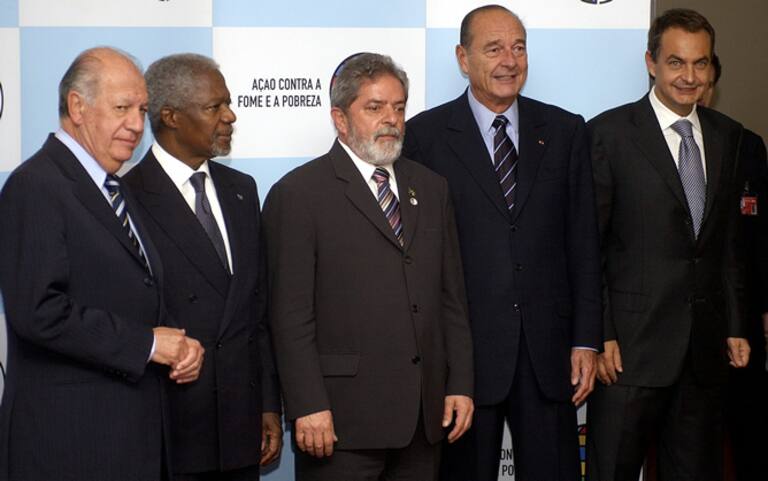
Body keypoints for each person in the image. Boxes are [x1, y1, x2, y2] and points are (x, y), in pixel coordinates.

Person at [403, 5, 601, 480]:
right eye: (494, 49)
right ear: (463, 58)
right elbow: (417, 257)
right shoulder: (425, 137)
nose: (509, 61)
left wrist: (586, 339)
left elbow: (583, 242)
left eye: (518, 47)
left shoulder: (565, 130)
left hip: (548, 355)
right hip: (464, 361)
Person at [263, 52, 474, 481]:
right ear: (340, 119)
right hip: (340, 423)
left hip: (423, 419)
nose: (391, 119)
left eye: (398, 107)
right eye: (374, 108)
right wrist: (307, 404)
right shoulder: (299, 194)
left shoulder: (431, 188)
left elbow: (451, 298)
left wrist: (460, 383)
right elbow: (289, 316)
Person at [0, 46, 204, 481]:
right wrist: (147, 345)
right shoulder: (35, 186)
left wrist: (179, 345)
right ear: (77, 107)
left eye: (142, 110)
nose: (137, 125)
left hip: (130, 442)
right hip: (69, 446)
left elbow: (131, 292)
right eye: (122, 108)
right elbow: (38, 311)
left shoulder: (114, 189)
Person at [586, 9, 750, 481]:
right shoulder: (608, 134)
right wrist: (600, 333)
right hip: (628, 354)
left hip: (703, 354)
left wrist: (735, 325)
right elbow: (590, 247)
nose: (689, 76)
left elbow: (727, 243)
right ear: (651, 62)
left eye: (700, 63)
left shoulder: (728, 136)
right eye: (676, 62)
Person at [123, 53, 283, 481]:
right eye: (215, 106)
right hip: (171, 429)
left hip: (241, 427)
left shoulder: (241, 190)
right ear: (171, 116)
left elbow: (257, 312)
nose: (230, 116)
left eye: (228, 103)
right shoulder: (127, 197)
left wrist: (268, 405)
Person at [699, 54, 768, 481]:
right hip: (683, 316)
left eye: (706, 80)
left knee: (750, 424)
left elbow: (757, 235)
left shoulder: (744, 144)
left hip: (741, 308)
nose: (696, 87)